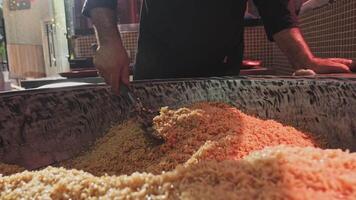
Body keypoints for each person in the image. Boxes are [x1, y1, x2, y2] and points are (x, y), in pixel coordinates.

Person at [83, 0, 353, 94]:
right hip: (157, 71)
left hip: (221, 76)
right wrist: (108, 42)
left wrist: (304, 60)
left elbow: (275, 9)